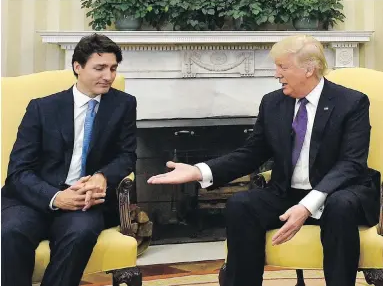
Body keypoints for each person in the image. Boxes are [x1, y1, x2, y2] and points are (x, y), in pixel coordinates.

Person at [148, 35, 380, 286]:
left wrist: (307, 206)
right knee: (241, 205)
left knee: (339, 206)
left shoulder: (351, 102)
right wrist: (198, 171)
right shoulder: (273, 103)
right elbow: (252, 152)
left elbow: (351, 163)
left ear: (309, 69)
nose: (276, 73)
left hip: (340, 191)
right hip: (287, 192)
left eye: (283, 67)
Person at [1, 33, 137, 286]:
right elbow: (18, 170)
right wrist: (55, 197)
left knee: (80, 234)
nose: (108, 76)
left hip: (84, 200)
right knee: (10, 232)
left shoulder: (123, 105)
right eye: (100, 68)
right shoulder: (42, 108)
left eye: (113, 68)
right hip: (34, 198)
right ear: (77, 67)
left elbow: (127, 155)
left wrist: (102, 176)